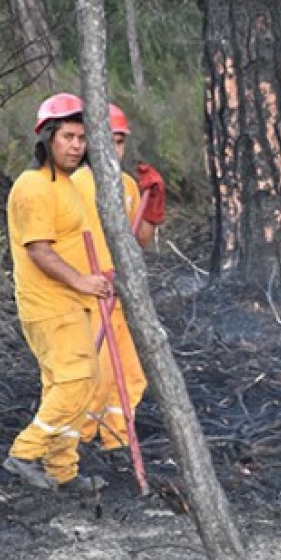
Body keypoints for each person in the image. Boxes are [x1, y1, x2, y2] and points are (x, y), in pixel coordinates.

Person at [3, 93, 111, 492]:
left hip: (71, 305)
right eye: (68, 136)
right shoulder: (33, 187)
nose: (76, 145)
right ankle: (24, 453)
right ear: (47, 138)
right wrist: (82, 282)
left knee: (72, 385)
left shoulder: (66, 185)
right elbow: (39, 249)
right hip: (49, 306)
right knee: (76, 381)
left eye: (82, 138)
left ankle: (61, 472)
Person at [69, 103, 165, 453]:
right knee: (98, 375)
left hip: (122, 296)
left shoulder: (126, 184)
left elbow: (138, 239)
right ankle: (76, 445)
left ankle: (115, 443)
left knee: (131, 374)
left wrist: (152, 207)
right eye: (107, 141)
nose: (114, 150)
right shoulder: (74, 184)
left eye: (120, 142)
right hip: (87, 298)